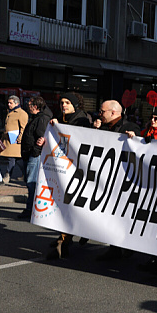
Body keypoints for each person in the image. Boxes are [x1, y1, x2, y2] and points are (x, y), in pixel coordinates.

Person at [46, 93, 93, 259]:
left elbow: (79, 140)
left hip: (77, 170)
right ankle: (65, 237)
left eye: (67, 103)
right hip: (62, 168)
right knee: (62, 203)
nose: (63, 105)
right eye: (61, 102)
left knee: (72, 203)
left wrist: (61, 129)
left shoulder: (82, 120)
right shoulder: (60, 117)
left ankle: (65, 241)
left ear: (75, 105)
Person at [93, 100, 141, 260]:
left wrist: (135, 139)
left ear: (113, 112)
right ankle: (114, 248)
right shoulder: (103, 126)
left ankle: (126, 246)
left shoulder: (130, 127)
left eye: (102, 111)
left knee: (122, 214)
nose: (100, 114)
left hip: (123, 179)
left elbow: (140, 149)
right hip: (106, 178)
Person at [18, 97, 53, 219]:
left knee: (31, 183)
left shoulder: (42, 119)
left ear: (36, 106)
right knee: (30, 182)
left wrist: (35, 152)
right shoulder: (37, 118)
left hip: (34, 156)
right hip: (30, 154)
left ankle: (30, 210)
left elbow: (41, 138)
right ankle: (31, 209)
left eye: (30, 105)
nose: (28, 107)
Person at [0, 95, 28, 183]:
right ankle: (26, 175)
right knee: (18, 159)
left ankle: (7, 176)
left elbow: (23, 127)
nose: (8, 104)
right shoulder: (10, 112)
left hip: (15, 141)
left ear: (16, 103)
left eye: (10, 103)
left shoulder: (21, 113)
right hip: (9, 140)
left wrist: (20, 138)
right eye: (8, 102)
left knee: (11, 159)